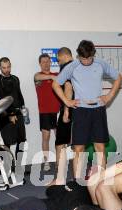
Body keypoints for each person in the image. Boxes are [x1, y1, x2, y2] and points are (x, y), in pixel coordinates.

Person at [51, 40, 122, 178]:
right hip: (81, 111)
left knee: (100, 148)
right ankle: (78, 182)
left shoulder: (100, 64)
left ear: (93, 55)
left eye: (89, 58)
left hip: (98, 111)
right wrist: (67, 101)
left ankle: (102, 181)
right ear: (78, 56)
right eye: (83, 58)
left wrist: (109, 96)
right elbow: (55, 84)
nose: (86, 61)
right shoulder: (72, 66)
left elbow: (118, 77)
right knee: (79, 149)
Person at [0, 57, 26, 156]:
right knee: (7, 142)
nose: (6, 70)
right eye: (4, 68)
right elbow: (1, 100)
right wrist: (10, 114)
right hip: (5, 115)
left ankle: (18, 167)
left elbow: (19, 94)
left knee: (21, 141)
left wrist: (23, 108)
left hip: (18, 113)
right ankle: (7, 167)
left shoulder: (15, 78)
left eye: (8, 67)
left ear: (10, 65)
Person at [34, 54, 61, 171]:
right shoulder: (37, 76)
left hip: (57, 111)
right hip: (44, 112)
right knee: (46, 136)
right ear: (40, 64)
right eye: (43, 62)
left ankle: (59, 161)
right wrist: (53, 77)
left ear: (50, 62)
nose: (46, 63)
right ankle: (46, 162)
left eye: (47, 61)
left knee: (59, 137)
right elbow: (38, 77)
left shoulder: (57, 75)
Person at [53, 47, 74, 185]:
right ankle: (76, 180)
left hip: (70, 108)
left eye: (59, 60)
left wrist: (66, 109)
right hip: (82, 109)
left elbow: (68, 88)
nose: (59, 62)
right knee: (78, 145)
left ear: (64, 56)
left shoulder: (66, 67)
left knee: (60, 143)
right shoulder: (79, 66)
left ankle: (59, 179)